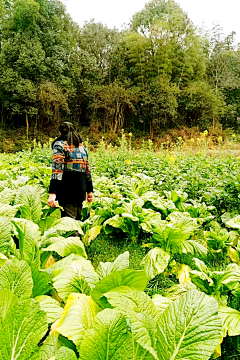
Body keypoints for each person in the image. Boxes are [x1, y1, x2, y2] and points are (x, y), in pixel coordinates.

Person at [48, 122, 93, 219]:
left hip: (67, 189)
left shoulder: (60, 145)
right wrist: (89, 191)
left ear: (60, 133)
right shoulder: (82, 148)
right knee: (77, 220)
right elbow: (87, 171)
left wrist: (52, 193)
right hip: (81, 189)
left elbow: (57, 169)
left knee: (70, 225)